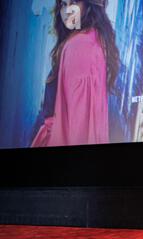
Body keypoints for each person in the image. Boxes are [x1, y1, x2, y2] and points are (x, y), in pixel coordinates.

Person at [31, 0, 119, 147]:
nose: (67, 10)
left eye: (74, 3)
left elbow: (79, 126)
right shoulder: (90, 39)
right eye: (64, 4)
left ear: (89, 5)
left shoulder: (79, 46)